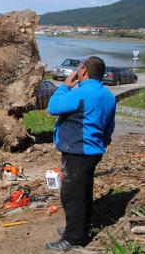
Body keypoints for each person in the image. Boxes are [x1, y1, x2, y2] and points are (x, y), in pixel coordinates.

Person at [45, 56, 116, 252]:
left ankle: (73, 238)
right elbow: (109, 126)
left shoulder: (81, 93)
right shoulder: (108, 95)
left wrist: (65, 85)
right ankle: (79, 227)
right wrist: (103, 143)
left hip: (78, 151)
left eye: (79, 68)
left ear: (83, 70)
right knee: (84, 191)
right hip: (93, 151)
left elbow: (52, 107)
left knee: (72, 196)